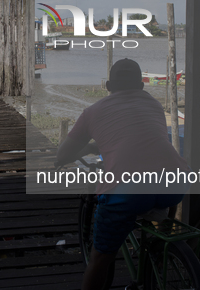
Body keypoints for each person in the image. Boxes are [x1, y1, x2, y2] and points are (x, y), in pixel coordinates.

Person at [55, 58, 189, 290]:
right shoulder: (155, 105)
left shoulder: (92, 112)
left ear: (108, 86)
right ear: (141, 85)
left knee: (101, 258)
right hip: (175, 183)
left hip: (130, 191)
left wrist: (87, 147)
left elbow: (61, 157)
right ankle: (160, 241)